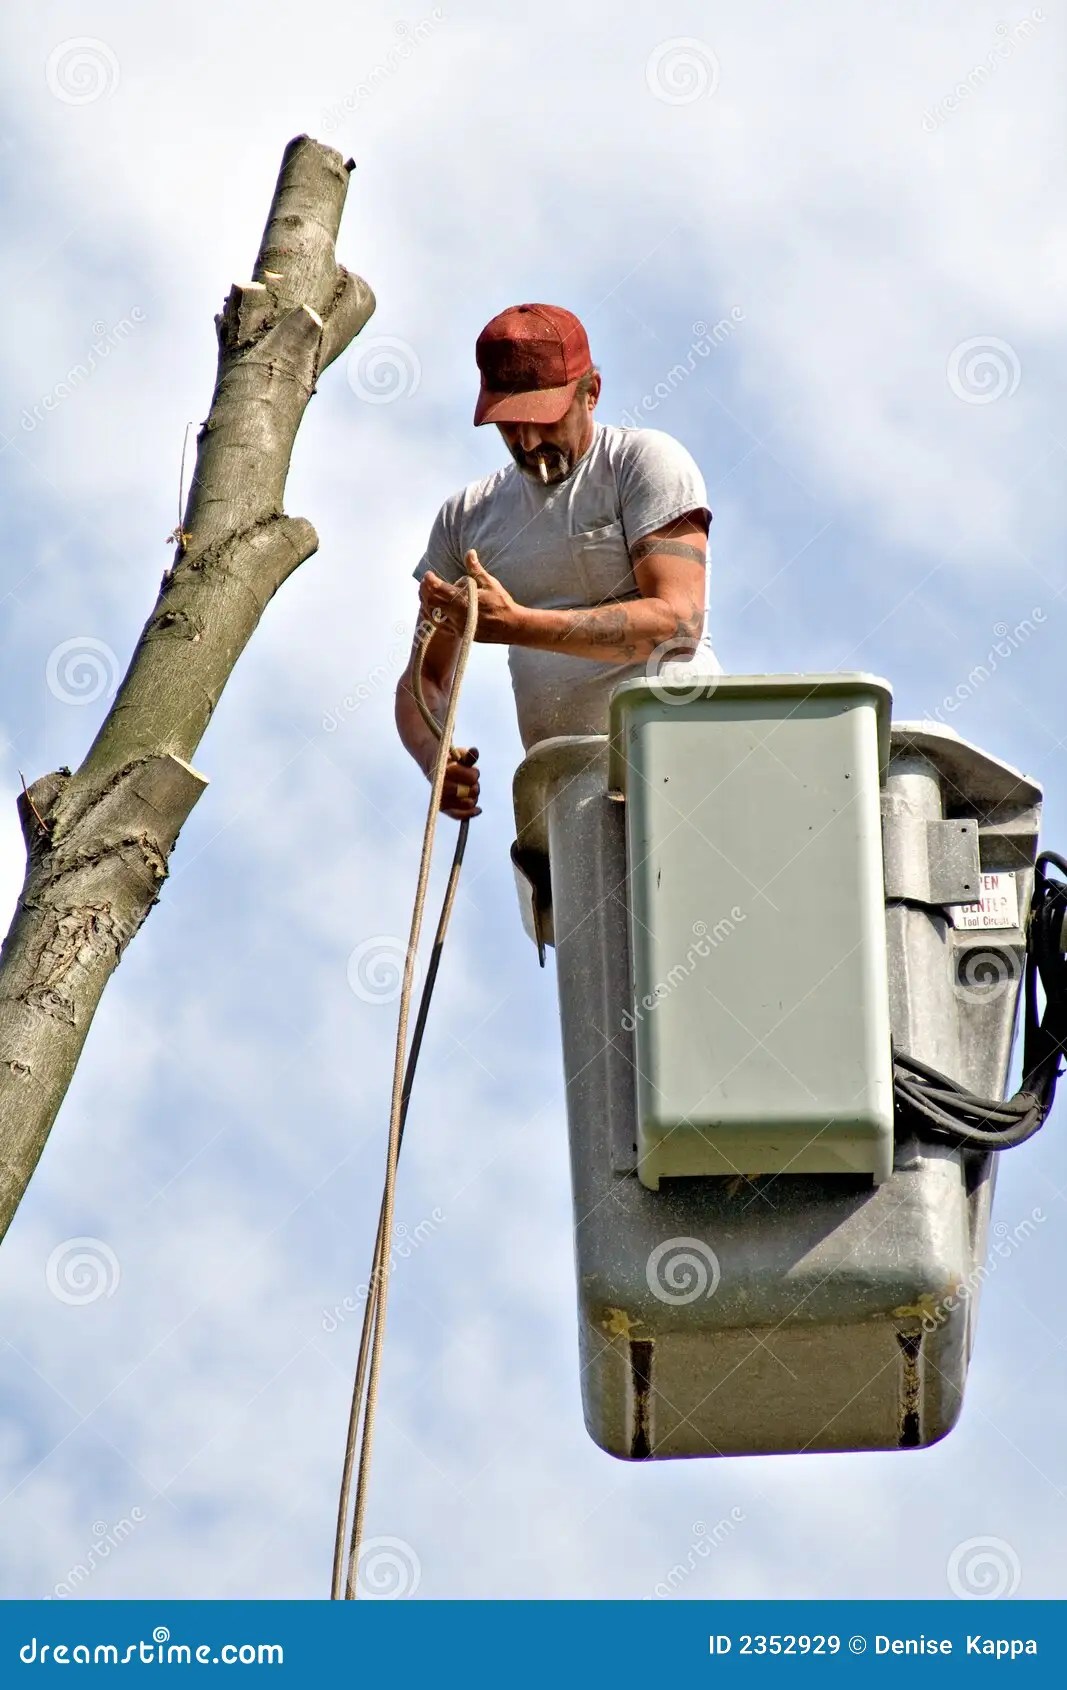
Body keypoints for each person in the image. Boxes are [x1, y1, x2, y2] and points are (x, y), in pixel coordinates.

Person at [395, 303, 718, 819]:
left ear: (591, 391)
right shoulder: (466, 520)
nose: (527, 442)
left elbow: (677, 624)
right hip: (565, 800)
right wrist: (436, 757)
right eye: (508, 426)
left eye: (543, 420)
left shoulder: (640, 465)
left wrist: (519, 625)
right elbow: (424, 680)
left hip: (683, 769)